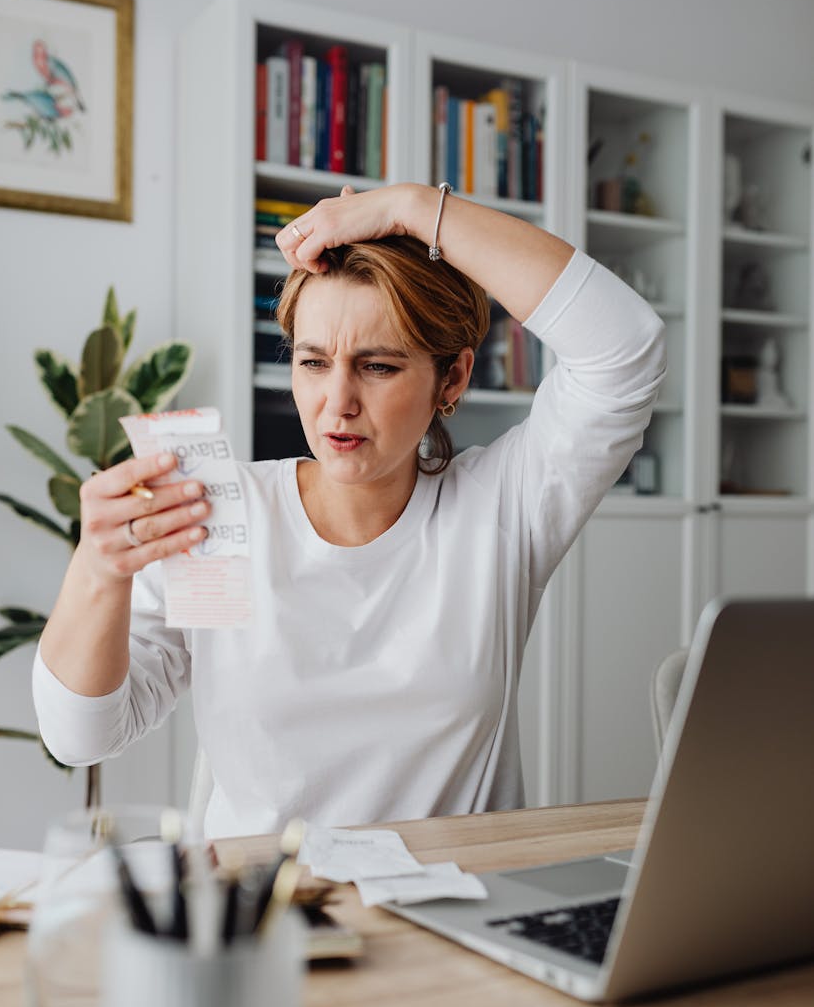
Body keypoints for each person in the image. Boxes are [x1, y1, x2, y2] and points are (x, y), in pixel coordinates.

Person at [33, 183, 666, 837]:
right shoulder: (220, 517)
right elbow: (81, 737)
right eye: (312, 362)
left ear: (450, 379)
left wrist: (413, 208)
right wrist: (98, 570)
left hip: (454, 905)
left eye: (378, 366)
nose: (337, 402)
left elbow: (624, 347)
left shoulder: (498, 510)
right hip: (265, 912)